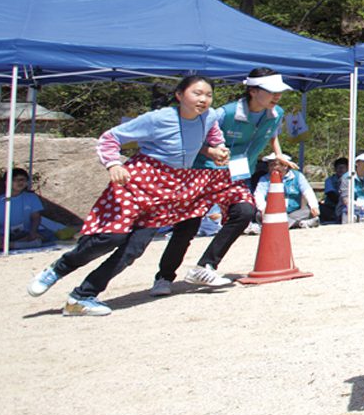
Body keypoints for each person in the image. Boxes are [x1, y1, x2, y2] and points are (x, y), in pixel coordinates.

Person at [25, 75, 242, 315]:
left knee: (134, 248)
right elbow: (110, 138)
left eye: (208, 95)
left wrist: (216, 149)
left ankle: (82, 297)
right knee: (111, 236)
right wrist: (113, 164)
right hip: (137, 181)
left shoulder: (208, 117)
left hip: (169, 190)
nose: (203, 100)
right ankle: (58, 269)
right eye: (197, 93)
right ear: (179, 95)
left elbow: (212, 135)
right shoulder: (157, 118)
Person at [152, 69, 293, 294]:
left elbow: (272, 134)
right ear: (253, 91)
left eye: (280, 92)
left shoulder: (276, 113)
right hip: (202, 172)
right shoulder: (223, 113)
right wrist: (210, 152)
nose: (277, 96)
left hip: (237, 174)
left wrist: (278, 154)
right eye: (272, 91)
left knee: (245, 212)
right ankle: (164, 277)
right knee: (188, 225)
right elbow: (191, 137)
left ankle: (206, 265)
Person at [0, 168, 52, 249]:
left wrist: (32, 232)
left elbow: (36, 217)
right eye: (15, 180)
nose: (20, 182)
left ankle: (7, 246)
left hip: (25, 232)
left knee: (48, 235)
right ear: (7, 182)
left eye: (22, 180)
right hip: (3, 235)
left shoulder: (32, 198)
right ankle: (20, 244)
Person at [252, 160, 322, 228]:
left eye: (275, 165)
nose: (272, 168)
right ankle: (299, 223)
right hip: (273, 212)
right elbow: (259, 195)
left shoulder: (298, 176)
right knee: (259, 215)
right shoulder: (264, 179)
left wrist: (314, 206)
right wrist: (263, 208)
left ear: (285, 166)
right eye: (270, 165)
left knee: (308, 211)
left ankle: (279, 224)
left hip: (294, 211)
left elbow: (307, 191)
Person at [323, 157, 349, 221]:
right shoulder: (330, 180)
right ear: (335, 169)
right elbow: (331, 194)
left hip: (347, 206)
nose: (341, 170)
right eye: (338, 168)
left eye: (343, 167)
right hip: (331, 206)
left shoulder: (351, 179)